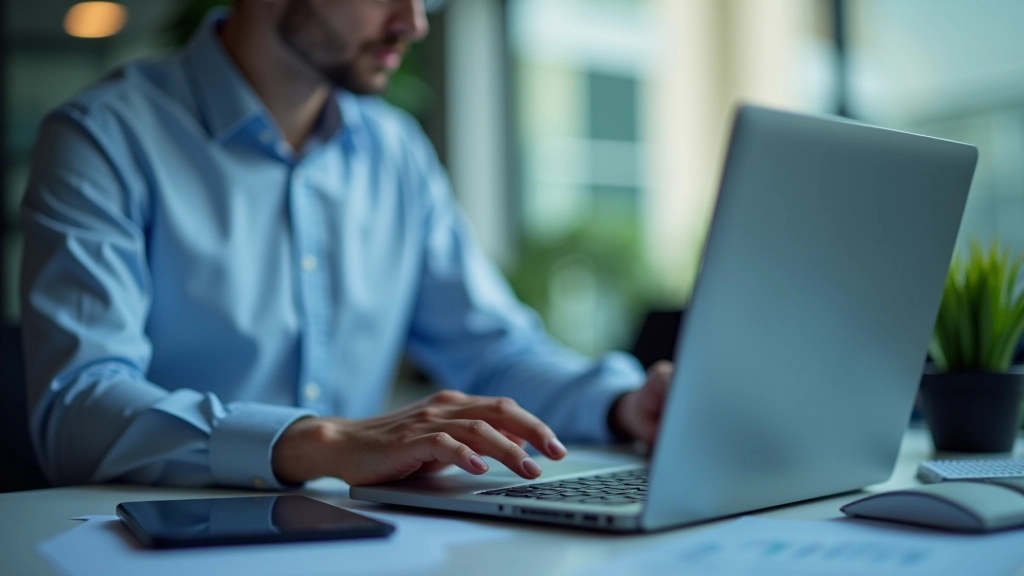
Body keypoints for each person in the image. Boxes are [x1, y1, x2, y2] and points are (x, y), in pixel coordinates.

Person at [20, 0, 672, 490]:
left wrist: (622, 406)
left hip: (357, 537)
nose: (413, 22)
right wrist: (320, 442)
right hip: (150, 542)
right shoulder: (103, 138)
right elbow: (79, 410)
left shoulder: (396, 151)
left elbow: (492, 353)